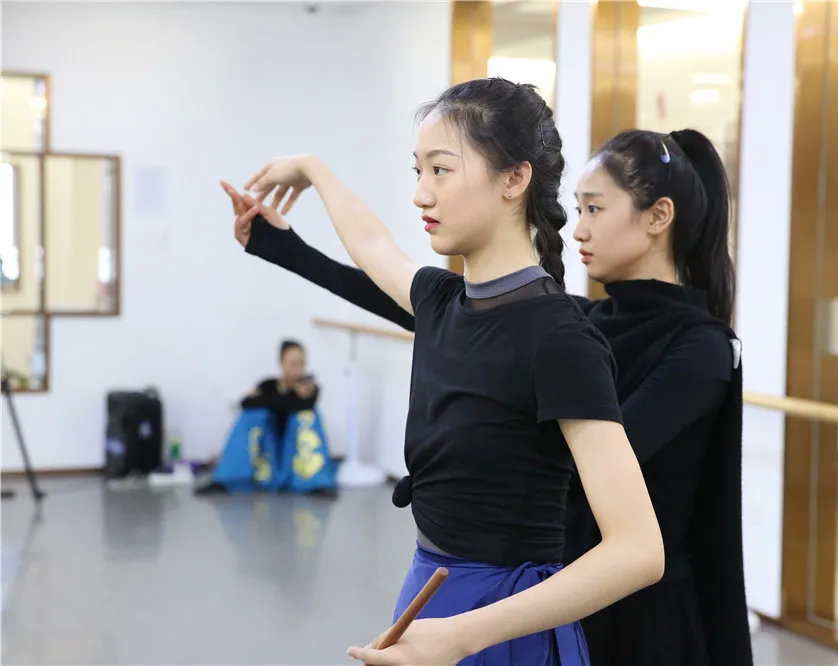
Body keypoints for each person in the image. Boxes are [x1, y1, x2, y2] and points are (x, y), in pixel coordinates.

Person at [234, 127, 752, 665]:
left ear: (658, 216)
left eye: (595, 209)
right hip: (551, 595)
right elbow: (427, 306)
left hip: (639, 618)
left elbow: (584, 470)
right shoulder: (578, 320)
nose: (579, 228)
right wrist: (284, 247)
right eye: (578, 209)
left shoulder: (688, 347)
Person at [197, 340, 339, 496]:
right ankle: (227, 480)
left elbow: (301, 405)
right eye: (293, 364)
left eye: (301, 364)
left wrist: (270, 400)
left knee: (307, 416)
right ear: (281, 363)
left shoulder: (310, 388)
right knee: (252, 416)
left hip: (294, 455)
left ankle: (317, 483)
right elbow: (246, 403)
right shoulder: (268, 385)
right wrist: (289, 398)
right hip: (268, 453)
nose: (298, 370)